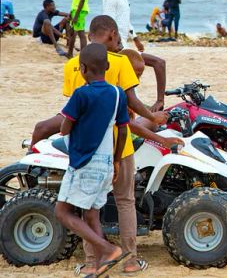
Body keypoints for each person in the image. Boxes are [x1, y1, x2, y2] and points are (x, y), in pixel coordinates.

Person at [32, 16, 178, 276]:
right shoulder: (120, 63)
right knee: (125, 201)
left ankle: (92, 262)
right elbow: (130, 104)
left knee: (87, 207)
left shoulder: (73, 66)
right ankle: (130, 260)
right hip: (118, 150)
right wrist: (154, 118)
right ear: (111, 34)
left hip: (83, 150)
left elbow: (70, 116)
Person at [53, 43, 132, 277]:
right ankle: (100, 268)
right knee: (91, 214)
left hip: (84, 162)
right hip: (107, 162)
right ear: (107, 67)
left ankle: (108, 249)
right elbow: (124, 130)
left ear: (83, 68)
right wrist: (117, 161)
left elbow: (64, 127)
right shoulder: (118, 94)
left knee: (62, 212)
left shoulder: (81, 94)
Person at [103, 0, 168, 111]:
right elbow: (109, 22)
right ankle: (157, 104)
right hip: (118, 46)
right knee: (158, 63)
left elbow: (125, 20)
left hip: (125, 42)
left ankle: (156, 104)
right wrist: (117, 45)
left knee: (155, 66)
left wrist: (136, 38)